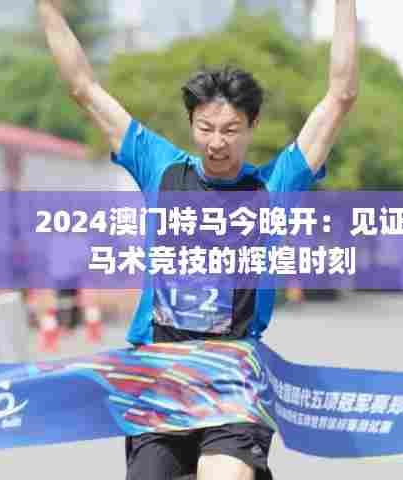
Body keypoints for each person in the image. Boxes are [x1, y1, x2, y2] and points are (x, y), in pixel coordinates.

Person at [37, 1, 358, 479]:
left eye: (230, 130)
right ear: (191, 124)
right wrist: (47, 7)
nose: (216, 142)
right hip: (159, 374)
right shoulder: (160, 167)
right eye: (205, 128)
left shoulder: (275, 184)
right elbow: (83, 87)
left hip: (232, 376)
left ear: (253, 125)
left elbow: (341, 94)